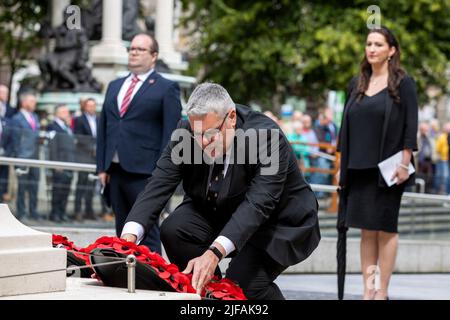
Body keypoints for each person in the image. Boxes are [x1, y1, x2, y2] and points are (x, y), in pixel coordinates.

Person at [121, 83, 321, 300]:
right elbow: (158, 184)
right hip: (221, 209)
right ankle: (211, 297)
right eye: (197, 134)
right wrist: (126, 241)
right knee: (174, 230)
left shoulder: (266, 137)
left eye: (210, 134)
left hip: (278, 222)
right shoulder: (186, 131)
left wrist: (214, 253)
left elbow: (258, 204)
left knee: (242, 284)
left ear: (232, 117)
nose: (203, 143)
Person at [337, 26, 418, 300]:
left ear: (391, 50)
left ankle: (381, 292)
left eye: (378, 44)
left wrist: (405, 163)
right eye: (369, 43)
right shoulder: (357, 83)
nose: (372, 48)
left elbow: (411, 125)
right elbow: (344, 127)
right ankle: (367, 290)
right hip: (357, 169)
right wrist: (341, 164)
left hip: (389, 170)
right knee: (366, 232)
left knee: (385, 229)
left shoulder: (403, 83)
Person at [96, 33, 182, 254]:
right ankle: (124, 273)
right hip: (115, 171)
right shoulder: (114, 86)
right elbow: (105, 127)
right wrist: (102, 166)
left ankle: (152, 278)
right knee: (122, 230)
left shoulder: (166, 87)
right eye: (131, 48)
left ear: (154, 56)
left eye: (140, 49)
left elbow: (171, 134)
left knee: (147, 231)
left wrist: (163, 173)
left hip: (146, 173)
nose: (133, 52)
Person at [10, 92, 41, 220]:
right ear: (24, 103)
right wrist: (17, 161)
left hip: (35, 157)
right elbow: (15, 141)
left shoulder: (35, 117)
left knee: (34, 186)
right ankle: (21, 212)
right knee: (22, 187)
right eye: (32, 101)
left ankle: (33, 211)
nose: (34, 104)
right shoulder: (17, 119)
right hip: (23, 158)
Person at [47, 104, 76, 222]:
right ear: (57, 113)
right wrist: (55, 163)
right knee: (57, 190)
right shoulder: (52, 126)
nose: (67, 114)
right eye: (64, 112)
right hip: (60, 164)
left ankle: (62, 212)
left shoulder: (66, 126)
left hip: (69, 163)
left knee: (65, 190)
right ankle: (55, 213)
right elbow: (52, 146)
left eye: (67, 112)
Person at [73, 98, 98, 221]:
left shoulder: (98, 119)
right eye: (89, 106)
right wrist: (91, 148)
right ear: (85, 107)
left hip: (95, 157)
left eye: (93, 106)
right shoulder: (79, 120)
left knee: (92, 184)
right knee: (81, 184)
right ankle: (77, 211)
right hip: (84, 156)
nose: (91, 108)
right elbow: (78, 137)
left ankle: (89, 210)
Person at [0, 84, 16, 202]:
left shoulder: (10, 110)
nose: (5, 95)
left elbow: (11, 135)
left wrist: (7, 151)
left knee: (3, 180)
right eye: (3, 92)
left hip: (4, 153)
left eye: (6, 93)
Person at [416, 121, 434, 193]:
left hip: (428, 161)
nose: (425, 131)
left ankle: (427, 192)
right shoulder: (418, 137)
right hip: (420, 161)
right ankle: (418, 192)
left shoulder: (429, 138)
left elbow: (432, 148)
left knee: (429, 177)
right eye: (423, 129)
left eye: (426, 129)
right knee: (419, 177)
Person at [434, 123, 450, 195]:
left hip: (447, 159)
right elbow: (438, 148)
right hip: (443, 159)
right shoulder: (442, 137)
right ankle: (441, 191)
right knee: (443, 176)